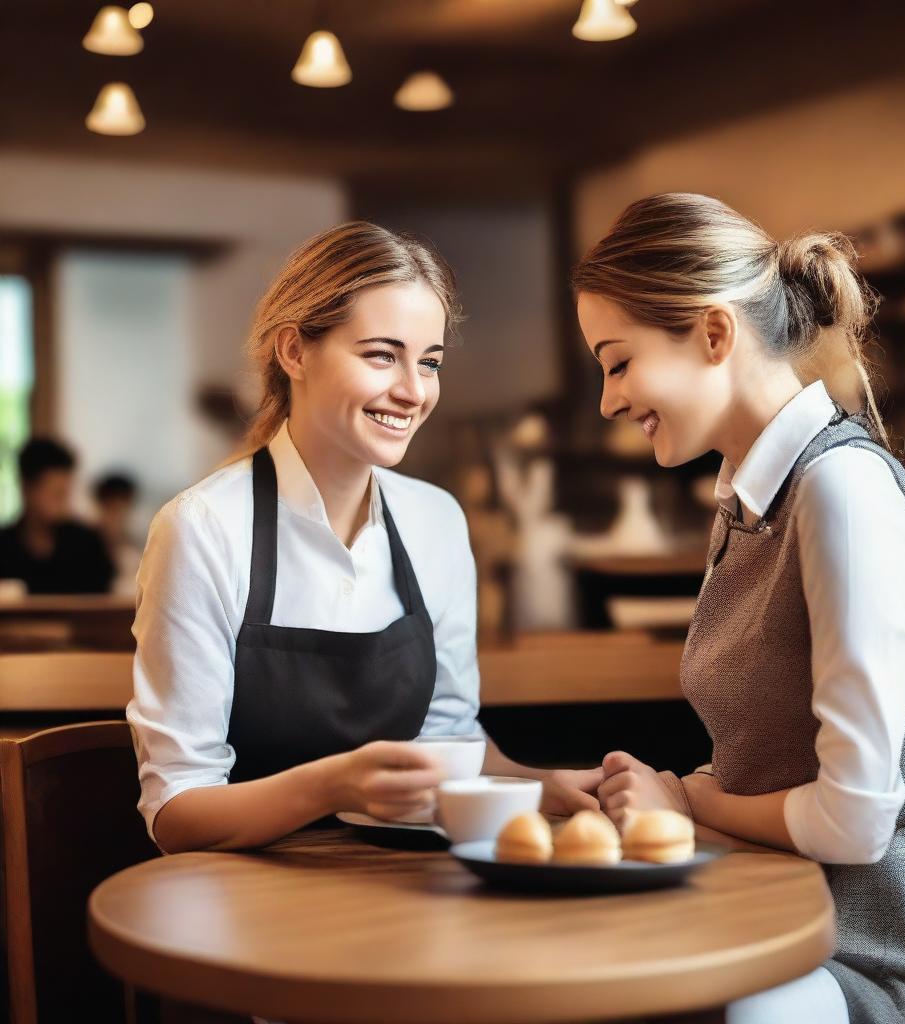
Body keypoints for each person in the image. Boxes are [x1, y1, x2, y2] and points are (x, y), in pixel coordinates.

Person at [572, 194, 905, 1024]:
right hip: (783, 911)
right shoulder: (750, 497)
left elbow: (854, 821)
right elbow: (777, 767)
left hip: (881, 955)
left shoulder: (840, 491)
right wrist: (673, 793)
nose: (608, 401)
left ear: (714, 333)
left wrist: (688, 806)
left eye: (618, 362)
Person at [128, 222, 602, 855]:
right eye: (382, 354)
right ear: (293, 352)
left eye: (429, 362)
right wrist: (332, 786)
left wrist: (542, 786)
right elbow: (176, 814)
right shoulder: (203, 528)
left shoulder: (436, 521)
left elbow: (445, 738)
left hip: (401, 878)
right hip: (238, 891)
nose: (412, 391)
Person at [0, 437, 114, 594]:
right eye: (56, 494)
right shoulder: (5, 546)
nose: (63, 503)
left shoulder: (87, 544)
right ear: (27, 489)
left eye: (66, 493)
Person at [93, 472, 143, 595]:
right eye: (113, 508)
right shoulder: (88, 544)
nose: (118, 516)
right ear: (101, 506)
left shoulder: (134, 546)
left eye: (123, 509)